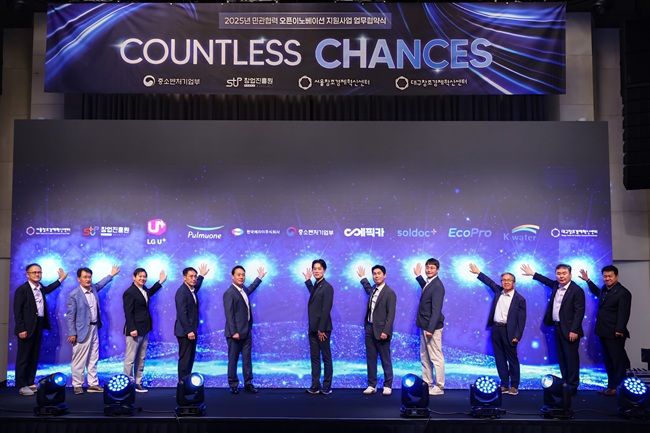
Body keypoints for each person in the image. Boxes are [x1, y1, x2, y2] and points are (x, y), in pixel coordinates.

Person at [521, 263, 584, 393]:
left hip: (570, 330)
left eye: (564, 273)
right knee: (561, 357)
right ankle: (565, 383)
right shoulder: (556, 285)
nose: (561, 276)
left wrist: (574, 330)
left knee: (571, 358)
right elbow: (546, 280)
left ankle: (573, 386)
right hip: (557, 327)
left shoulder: (577, 290)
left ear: (570, 274)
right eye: (558, 274)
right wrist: (533, 274)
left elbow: (579, 312)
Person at [469, 263, 526, 395]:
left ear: (514, 283)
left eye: (509, 280)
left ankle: (514, 386)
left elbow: (521, 320)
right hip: (496, 329)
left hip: (509, 332)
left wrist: (517, 335)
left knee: (512, 360)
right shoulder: (498, 291)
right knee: (499, 359)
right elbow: (489, 282)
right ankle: (504, 384)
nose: (506, 282)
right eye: (503, 280)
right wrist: (478, 273)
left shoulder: (520, 299)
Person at [13, 263, 68, 396]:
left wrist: (60, 279)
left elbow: (48, 289)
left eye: (39, 272)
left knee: (34, 356)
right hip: (26, 328)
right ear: (27, 275)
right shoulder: (22, 289)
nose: (37, 274)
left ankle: (30, 382)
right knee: (24, 357)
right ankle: (21, 385)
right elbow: (17, 311)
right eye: (34, 272)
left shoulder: (40, 287)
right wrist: (21, 328)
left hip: (38, 325)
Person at [66, 265, 120, 394]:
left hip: (94, 327)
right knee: (79, 359)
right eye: (85, 277)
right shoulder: (74, 295)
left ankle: (93, 384)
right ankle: (77, 385)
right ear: (79, 279)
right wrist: (72, 333)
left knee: (93, 357)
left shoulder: (93, 289)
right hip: (81, 331)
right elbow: (70, 316)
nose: (88, 279)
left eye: (89, 277)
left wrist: (111, 275)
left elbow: (101, 283)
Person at [579, 265, 632, 396]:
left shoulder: (623, 293)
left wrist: (619, 329)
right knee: (608, 361)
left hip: (615, 333)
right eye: (605, 276)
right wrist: (588, 280)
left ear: (616, 276)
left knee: (618, 362)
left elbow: (624, 313)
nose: (607, 278)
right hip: (603, 331)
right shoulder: (605, 289)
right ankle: (611, 387)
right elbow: (597, 292)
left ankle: (620, 389)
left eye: (610, 276)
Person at [122, 267, 167, 392]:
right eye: (140, 276)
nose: (142, 278)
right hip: (134, 330)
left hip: (145, 328)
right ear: (134, 277)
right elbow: (128, 312)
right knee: (130, 359)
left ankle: (138, 382)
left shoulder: (144, 289)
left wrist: (160, 281)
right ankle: (127, 384)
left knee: (141, 358)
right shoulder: (129, 292)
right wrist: (132, 328)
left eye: (144, 276)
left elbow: (150, 292)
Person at [223, 265, 266, 394]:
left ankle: (248, 383)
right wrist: (234, 332)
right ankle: (233, 384)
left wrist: (259, 277)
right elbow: (229, 315)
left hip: (246, 332)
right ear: (233, 276)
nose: (241, 277)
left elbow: (251, 287)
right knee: (233, 359)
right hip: (235, 334)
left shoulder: (243, 290)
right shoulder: (229, 293)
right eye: (239, 275)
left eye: (243, 275)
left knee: (247, 359)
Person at [357, 265, 397, 396]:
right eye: (374, 274)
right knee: (371, 358)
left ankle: (388, 385)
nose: (376, 276)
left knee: (385, 359)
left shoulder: (390, 293)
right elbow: (368, 289)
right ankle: (371, 385)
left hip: (382, 331)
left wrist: (386, 331)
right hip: (369, 328)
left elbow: (391, 315)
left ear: (384, 275)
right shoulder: (373, 289)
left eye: (379, 273)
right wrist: (363, 278)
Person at [413, 258, 445, 395]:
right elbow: (426, 290)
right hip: (424, 325)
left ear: (437, 270)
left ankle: (439, 386)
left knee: (436, 357)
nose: (429, 270)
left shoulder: (438, 286)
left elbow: (436, 310)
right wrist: (418, 276)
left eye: (432, 268)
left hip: (432, 328)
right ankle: (427, 383)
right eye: (427, 267)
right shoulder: (430, 283)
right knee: (425, 356)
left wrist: (430, 329)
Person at [303, 259, 334, 395]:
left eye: (319, 268)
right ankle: (315, 386)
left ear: (324, 270)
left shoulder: (327, 287)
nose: (316, 271)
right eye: (314, 268)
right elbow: (314, 297)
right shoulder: (317, 285)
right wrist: (308, 281)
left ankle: (326, 387)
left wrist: (321, 329)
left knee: (326, 358)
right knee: (315, 358)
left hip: (323, 329)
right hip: (313, 328)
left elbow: (326, 309)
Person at [174, 264, 209, 383]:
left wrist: (201, 276)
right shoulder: (182, 292)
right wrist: (189, 331)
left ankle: (187, 382)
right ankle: (182, 383)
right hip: (185, 332)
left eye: (195, 276)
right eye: (191, 276)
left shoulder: (191, 290)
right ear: (184, 278)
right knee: (185, 359)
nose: (194, 279)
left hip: (191, 331)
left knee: (190, 359)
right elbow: (182, 313)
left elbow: (196, 286)